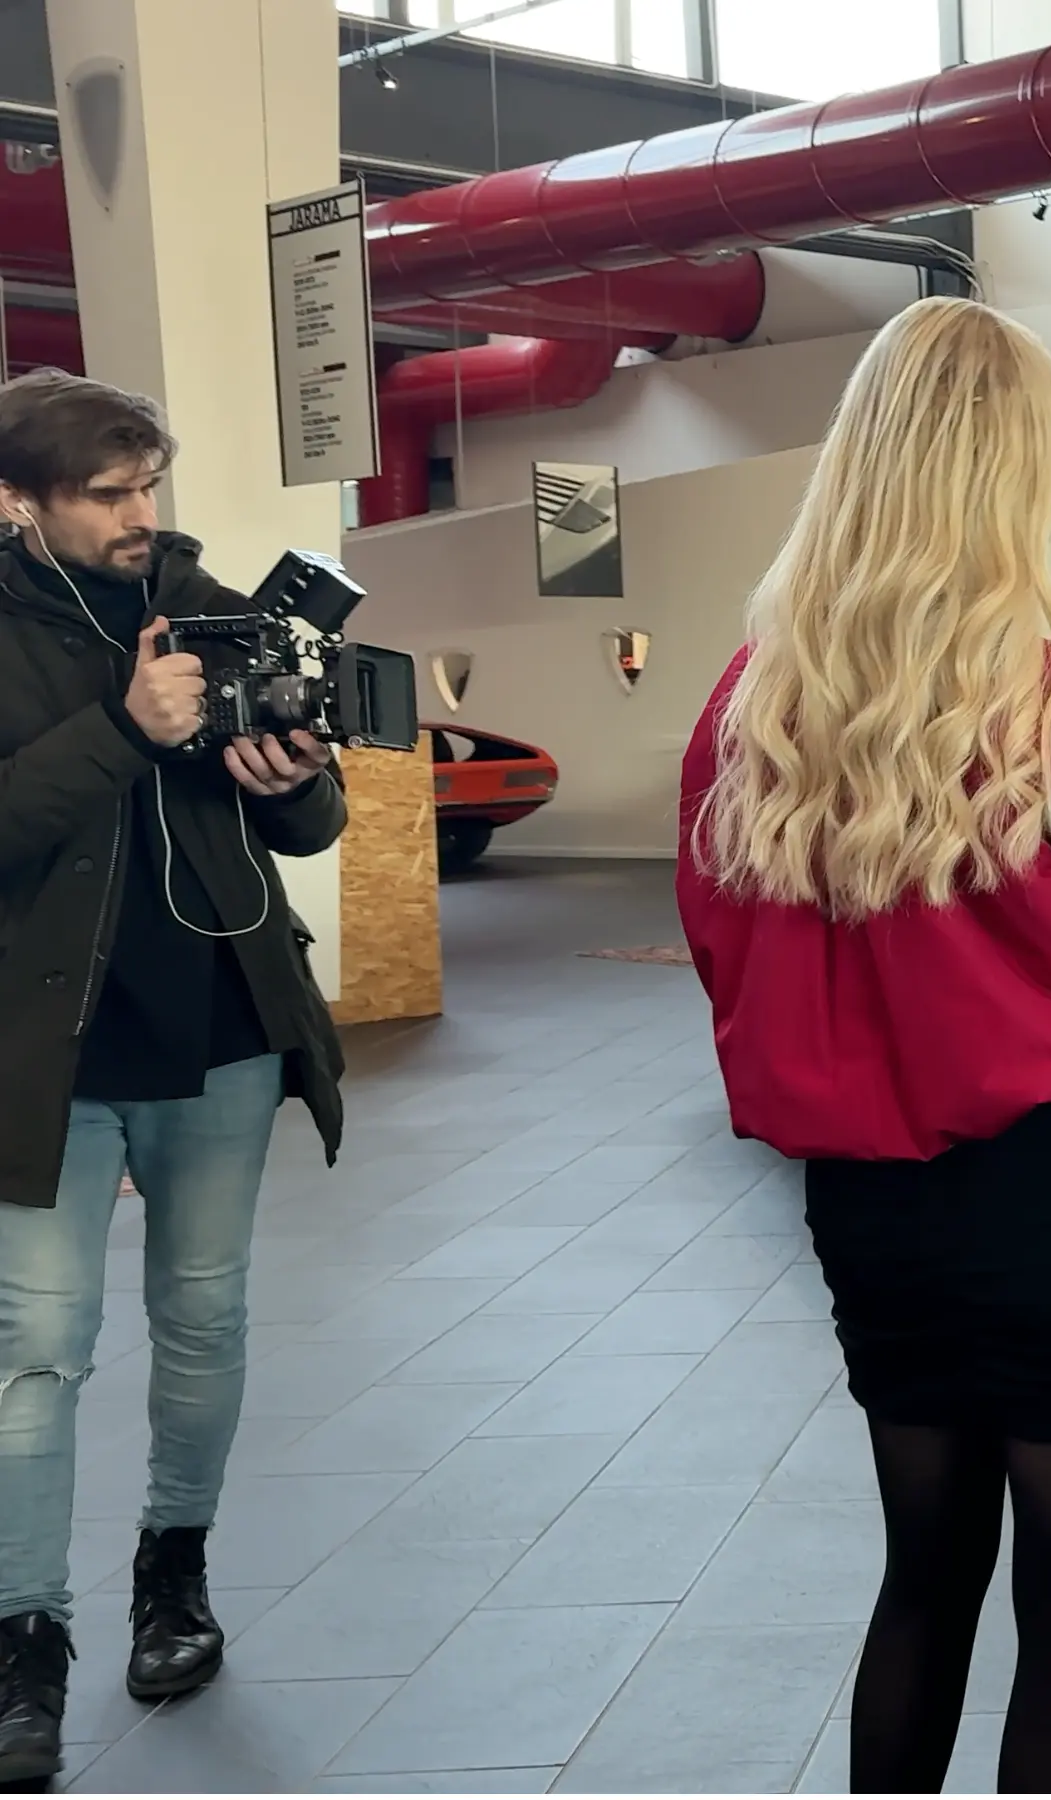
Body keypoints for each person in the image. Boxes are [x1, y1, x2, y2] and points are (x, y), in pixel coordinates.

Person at [676, 297, 1051, 1796]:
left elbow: (724, 946)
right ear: (1016, 470)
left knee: (924, 1581)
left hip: (869, 1204)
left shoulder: (748, 711)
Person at [0, 368, 347, 1782]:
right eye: (109, 494)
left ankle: (174, 1579)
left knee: (203, 1328)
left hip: (220, 1034)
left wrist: (292, 777)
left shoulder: (219, 606)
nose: (144, 516)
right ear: (20, 502)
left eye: (152, 486)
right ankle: (26, 1645)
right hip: (42, 1056)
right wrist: (125, 731)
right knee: (36, 1355)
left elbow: (312, 819)